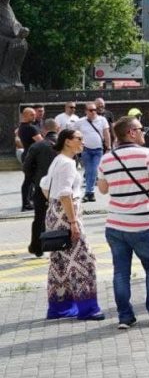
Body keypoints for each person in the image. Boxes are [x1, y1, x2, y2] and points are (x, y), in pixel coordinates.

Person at [96, 115, 149, 328]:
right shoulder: (147, 154)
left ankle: (125, 316)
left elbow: (103, 189)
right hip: (142, 222)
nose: (143, 133)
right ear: (131, 132)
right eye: (140, 129)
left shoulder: (106, 158)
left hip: (114, 224)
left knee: (121, 271)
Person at [41, 128, 105, 320]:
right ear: (68, 141)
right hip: (66, 216)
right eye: (79, 138)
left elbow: (45, 186)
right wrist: (73, 221)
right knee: (83, 261)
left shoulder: (57, 160)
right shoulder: (68, 164)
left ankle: (60, 308)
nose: (82, 142)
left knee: (59, 263)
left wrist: (56, 207)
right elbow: (65, 193)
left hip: (53, 214)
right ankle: (87, 309)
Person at [23, 119, 58, 256]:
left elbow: (26, 166)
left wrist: (34, 180)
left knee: (40, 217)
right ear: (58, 128)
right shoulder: (65, 145)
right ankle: (61, 245)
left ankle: (37, 247)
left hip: (41, 187)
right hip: (62, 188)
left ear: (43, 130)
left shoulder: (38, 146)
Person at [73, 103, 111, 203]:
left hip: (98, 149)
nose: (93, 112)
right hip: (85, 149)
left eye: (95, 110)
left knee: (94, 170)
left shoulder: (102, 120)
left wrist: (108, 146)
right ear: (86, 111)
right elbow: (73, 134)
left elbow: (106, 134)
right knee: (89, 170)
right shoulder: (80, 122)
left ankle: (89, 192)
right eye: (91, 110)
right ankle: (90, 193)